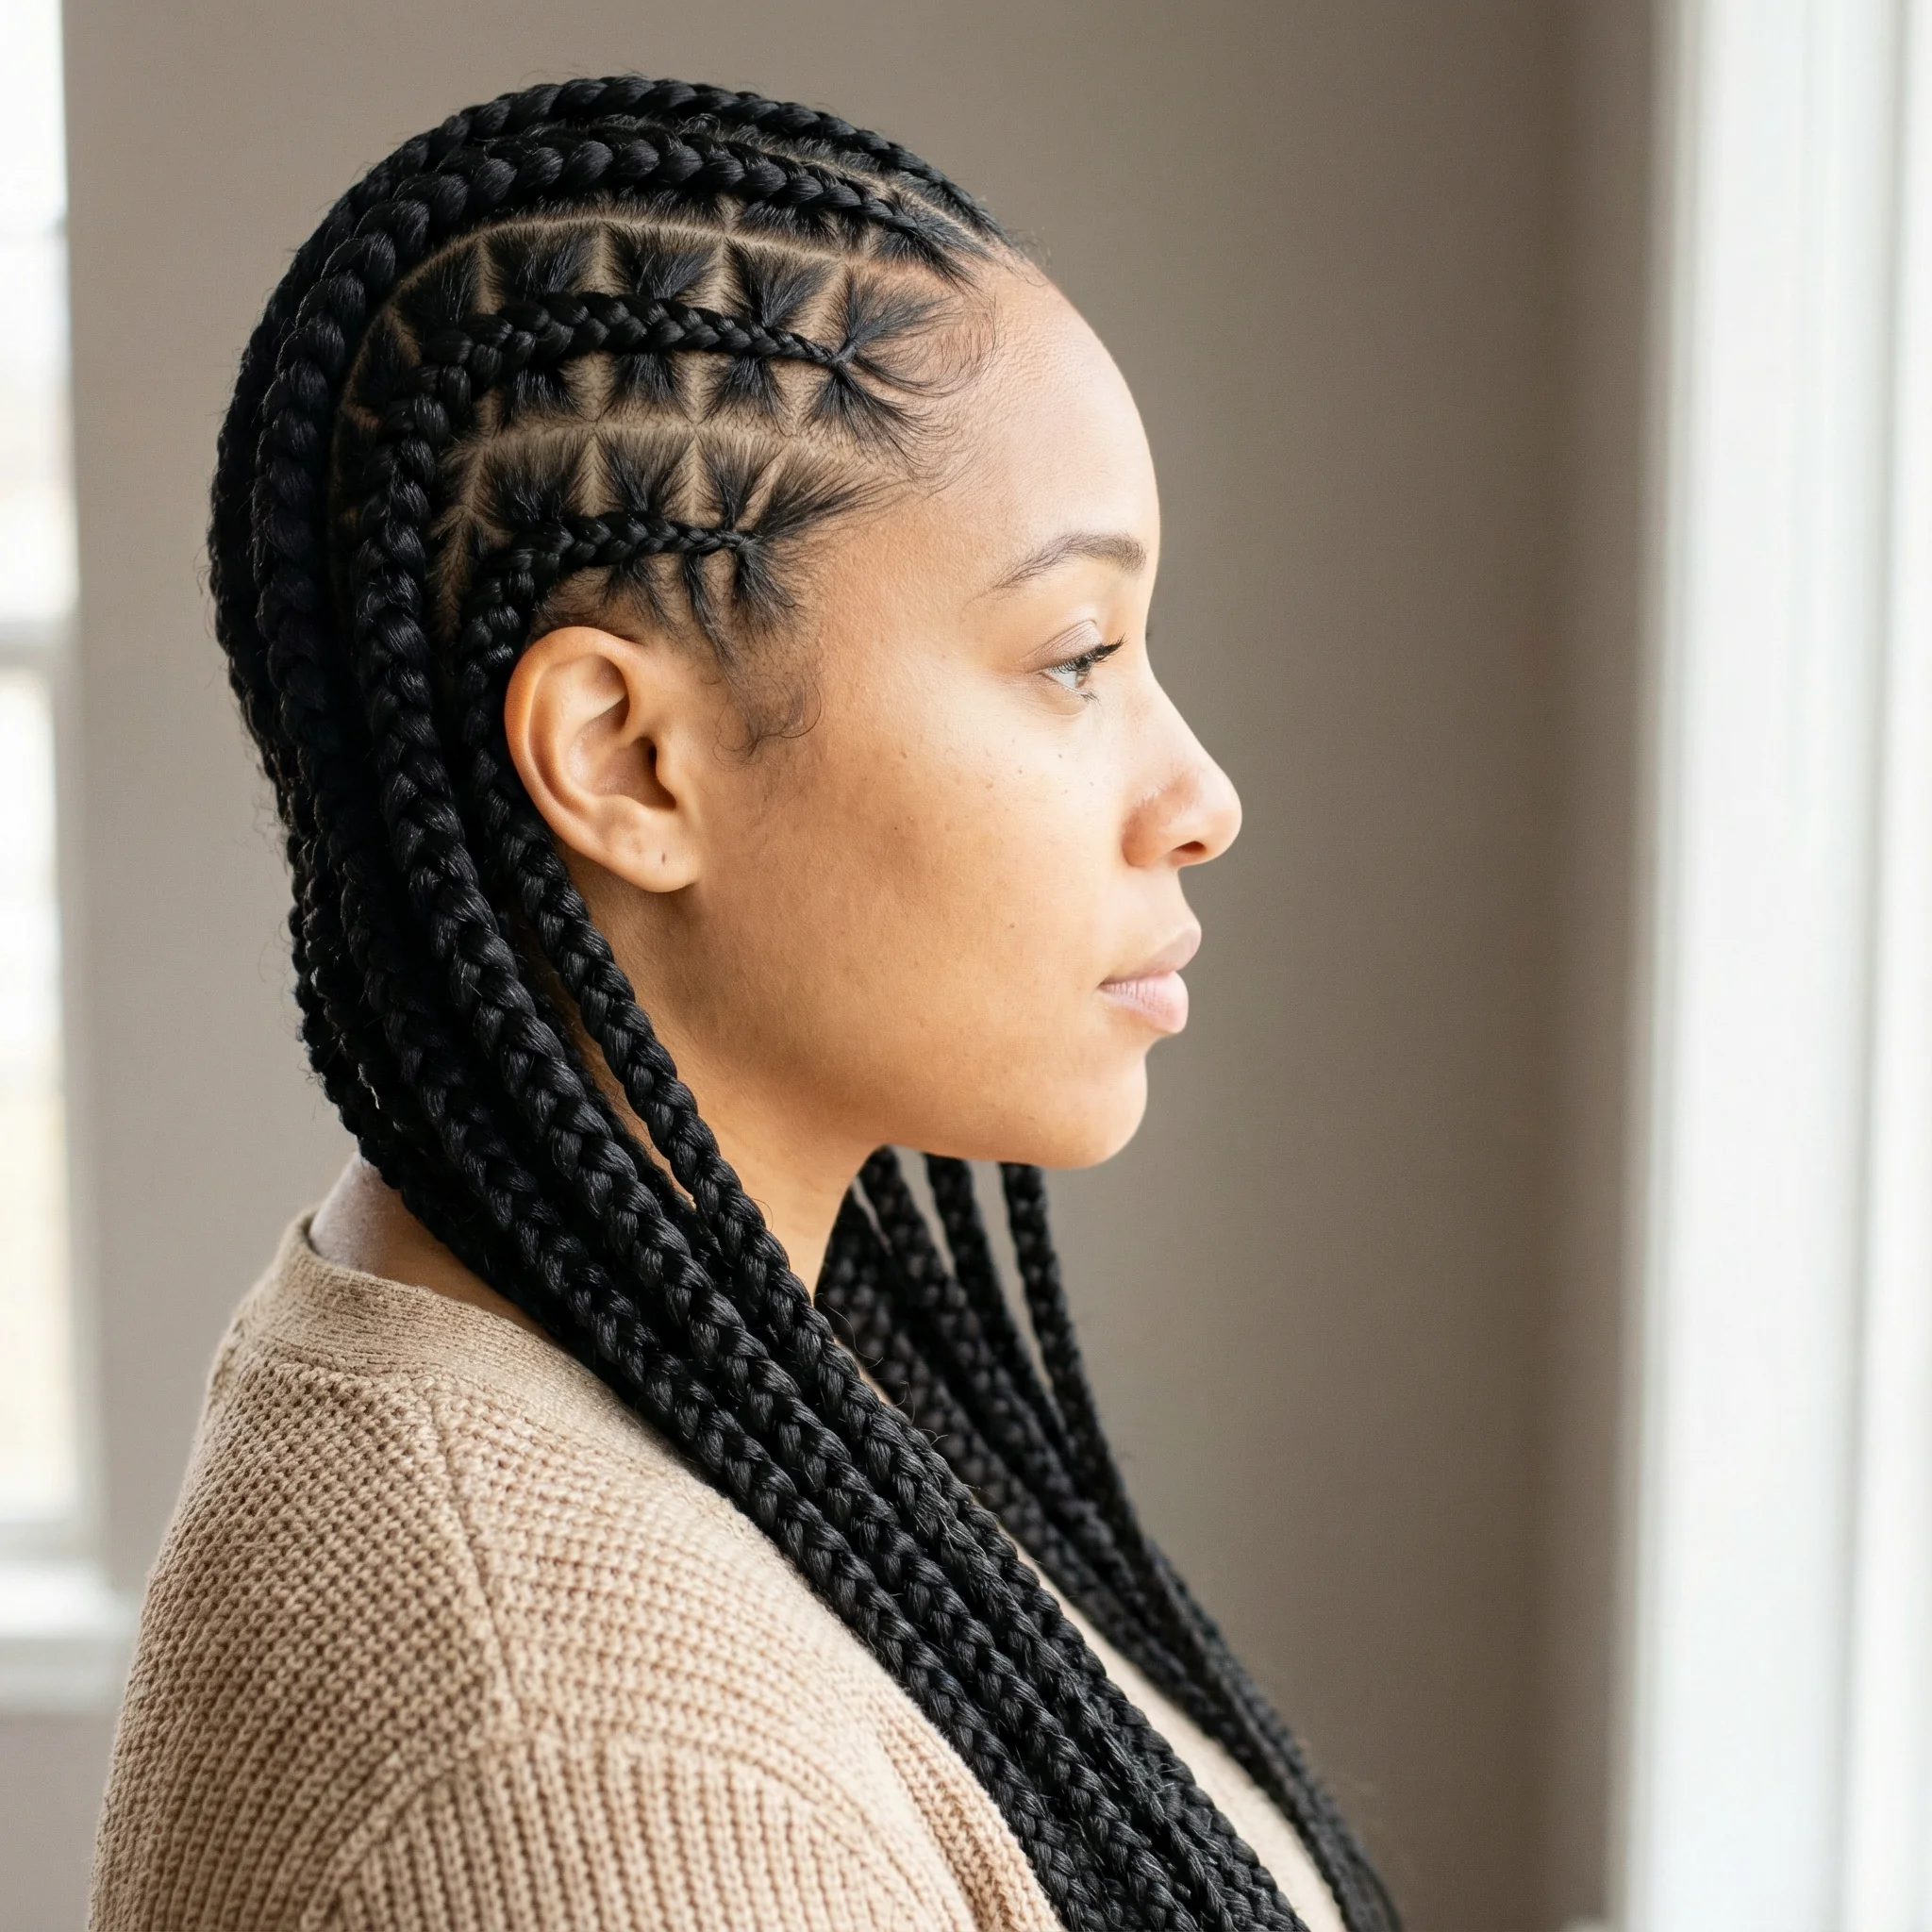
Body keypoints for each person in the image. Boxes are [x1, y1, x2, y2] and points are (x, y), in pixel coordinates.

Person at [89, 77, 1397, 1932]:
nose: (1201, 796)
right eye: (1076, 656)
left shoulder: (725, 1350)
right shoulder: (585, 1783)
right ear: (628, 758)